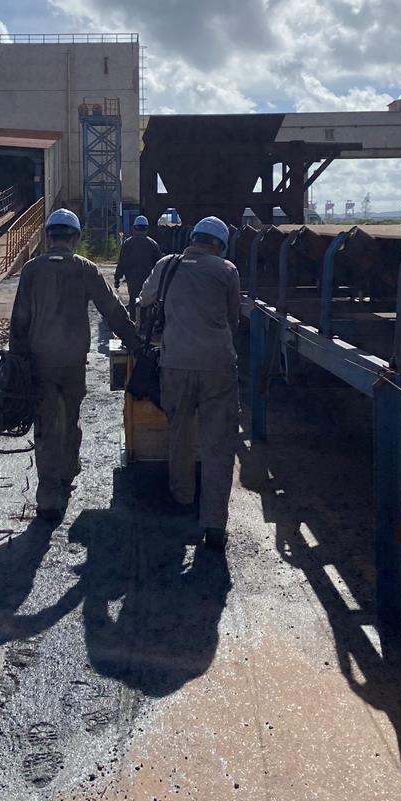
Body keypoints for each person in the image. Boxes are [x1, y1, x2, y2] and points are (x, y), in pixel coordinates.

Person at [9, 208, 142, 521]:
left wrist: (17, 360)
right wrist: (136, 342)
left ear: (49, 237)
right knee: (70, 418)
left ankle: (48, 498)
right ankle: (67, 472)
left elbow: (19, 319)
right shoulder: (85, 268)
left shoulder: (31, 270)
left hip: (39, 362)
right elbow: (111, 308)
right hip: (72, 362)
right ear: (76, 238)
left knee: (46, 426)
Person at [139, 216, 240, 551]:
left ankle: (182, 500)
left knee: (180, 433)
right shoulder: (227, 270)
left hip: (175, 364)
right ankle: (214, 523)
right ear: (219, 245)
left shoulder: (167, 265)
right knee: (218, 444)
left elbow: (144, 301)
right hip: (217, 367)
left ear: (193, 239)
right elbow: (233, 319)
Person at [114, 215, 162, 318]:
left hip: (132, 279)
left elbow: (122, 263)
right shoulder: (153, 244)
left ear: (134, 228)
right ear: (147, 228)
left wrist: (117, 279)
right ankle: (145, 321)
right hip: (148, 280)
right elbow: (159, 265)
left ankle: (133, 321)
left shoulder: (127, 243)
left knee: (133, 300)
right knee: (148, 301)